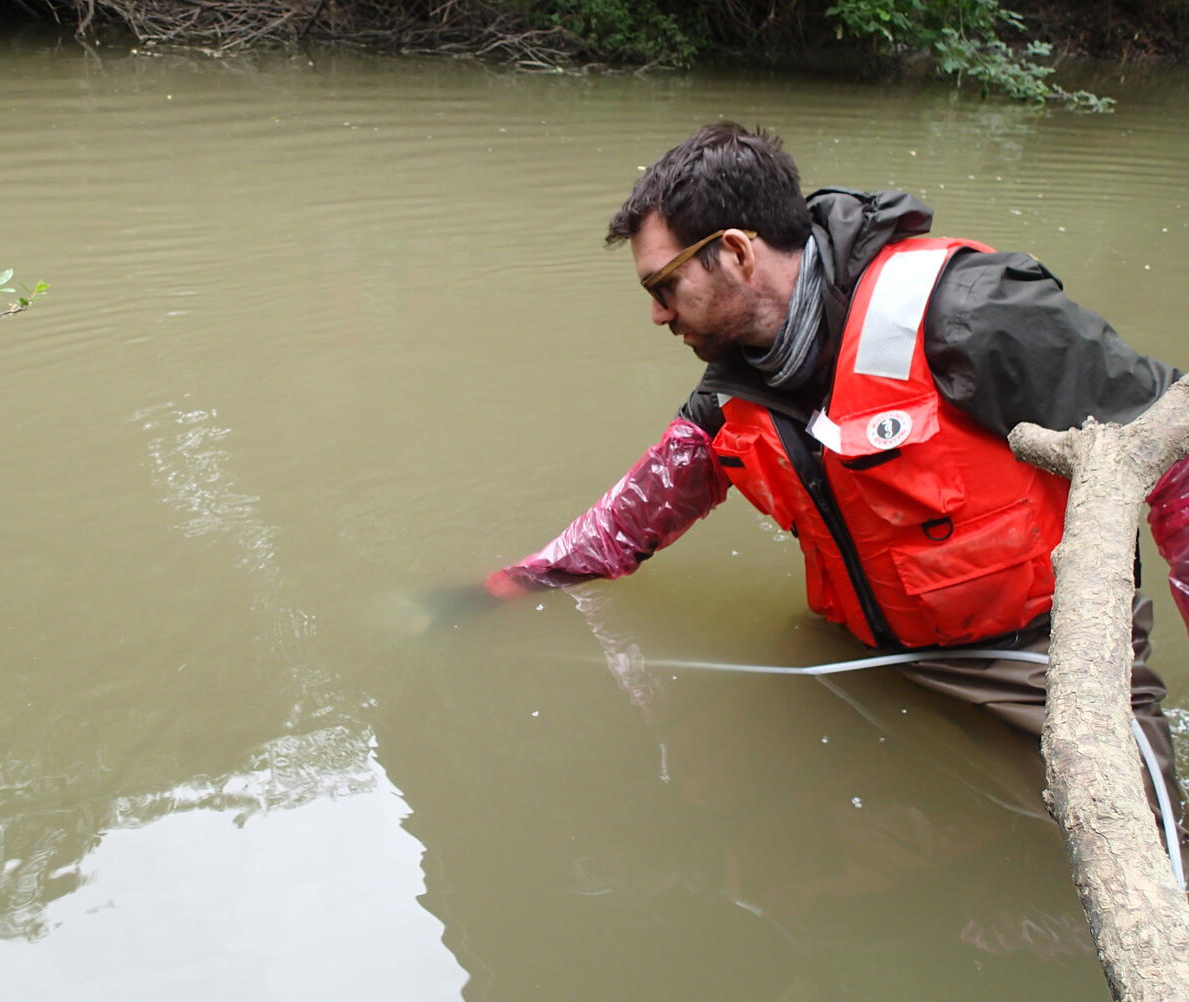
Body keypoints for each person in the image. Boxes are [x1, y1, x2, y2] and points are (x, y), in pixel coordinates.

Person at [474, 122, 1187, 842]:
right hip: (862, 647)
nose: (656, 312)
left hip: (1035, 656)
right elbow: (637, 512)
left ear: (737, 254)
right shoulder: (734, 386)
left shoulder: (973, 311)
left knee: (1146, 854)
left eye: (665, 285)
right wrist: (516, 582)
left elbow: (1173, 442)